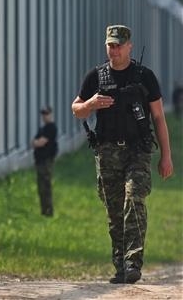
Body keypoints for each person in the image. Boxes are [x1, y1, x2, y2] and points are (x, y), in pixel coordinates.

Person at [71, 25, 174, 284]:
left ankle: (132, 262)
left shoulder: (144, 77)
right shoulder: (96, 76)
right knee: (115, 210)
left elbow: (158, 117)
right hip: (107, 152)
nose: (114, 50)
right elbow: (76, 109)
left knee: (134, 198)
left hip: (137, 151)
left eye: (118, 45)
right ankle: (120, 265)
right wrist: (90, 104)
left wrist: (166, 156)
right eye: (110, 45)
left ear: (129, 46)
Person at [32, 106, 58, 217]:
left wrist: (36, 142)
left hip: (46, 161)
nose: (44, 116)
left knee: (45, 187)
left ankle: (48, 211)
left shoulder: (51, 128)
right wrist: (36, 142)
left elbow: (40, 142)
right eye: (43, 114)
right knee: (41, 187)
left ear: (51, 114)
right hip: (40, 161)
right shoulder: (42, 129)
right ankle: (44, 210)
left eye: (46, 114)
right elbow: (33, 142)